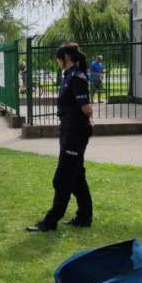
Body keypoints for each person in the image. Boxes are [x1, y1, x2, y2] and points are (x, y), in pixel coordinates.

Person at [26, 42, 94, 232]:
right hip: (68, 130)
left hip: (75, 132)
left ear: (66, 58)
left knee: (62, 178)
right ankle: (84, 216)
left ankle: (50, 221)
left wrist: (87, 118)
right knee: (77, 175)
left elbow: (86, 109)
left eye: (58, 58)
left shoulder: (77, 78)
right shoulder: (68, 76)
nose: (57, 61)